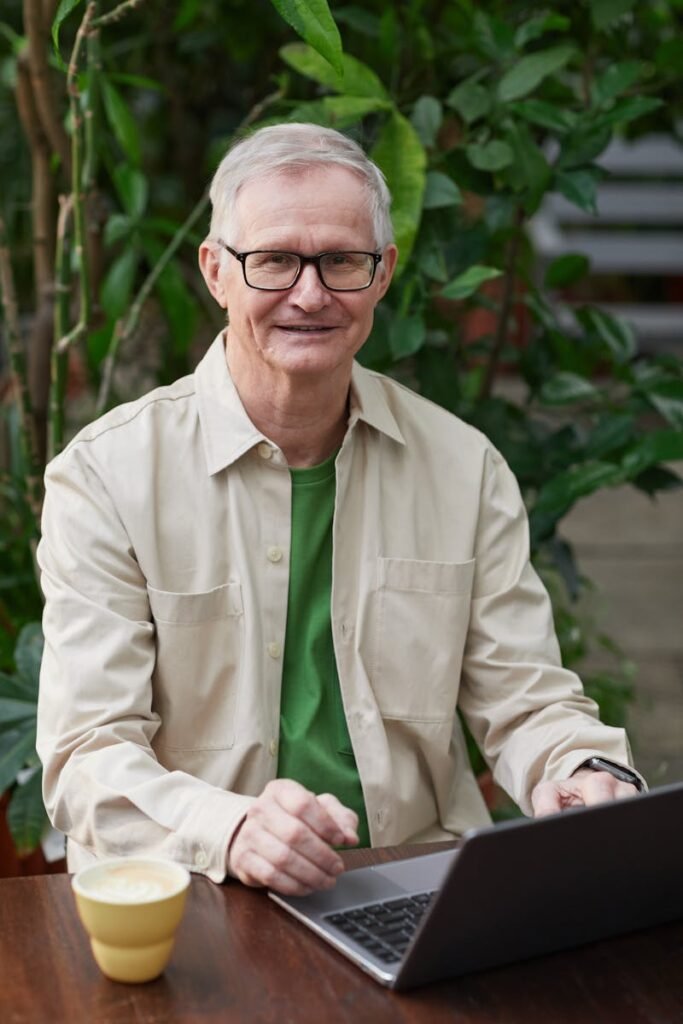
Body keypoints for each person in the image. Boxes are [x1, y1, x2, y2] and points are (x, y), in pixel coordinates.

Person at [37, 123, 644, 897]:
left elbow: (524, 698)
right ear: (216, 271)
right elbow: (87, 755)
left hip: (414, 883)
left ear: (383, 273)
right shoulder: (107, 476)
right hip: (190, 892)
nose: (310, 293)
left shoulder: (461, 468)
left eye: (341, 261)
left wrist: (578, 768)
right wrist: (230, 828)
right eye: (275, 260)